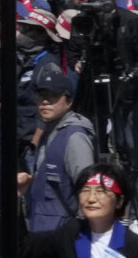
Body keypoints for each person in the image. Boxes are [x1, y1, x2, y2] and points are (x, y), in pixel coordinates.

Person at [14, 158, 138, 258]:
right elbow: (24, 248)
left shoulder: (136, 247)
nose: (91, 199)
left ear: (119, 201)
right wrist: (16, 197)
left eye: (101, 191)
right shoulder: (69, 233)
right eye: (85, 191)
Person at [21, 71, 98, 235]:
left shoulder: (75, 137)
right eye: (41, 96)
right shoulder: (48, 131)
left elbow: (88, 188)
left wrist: (79, 230)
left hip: (64, 231)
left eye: (53, 96)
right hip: (41, 226)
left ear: (69, 101)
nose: (45, 101)